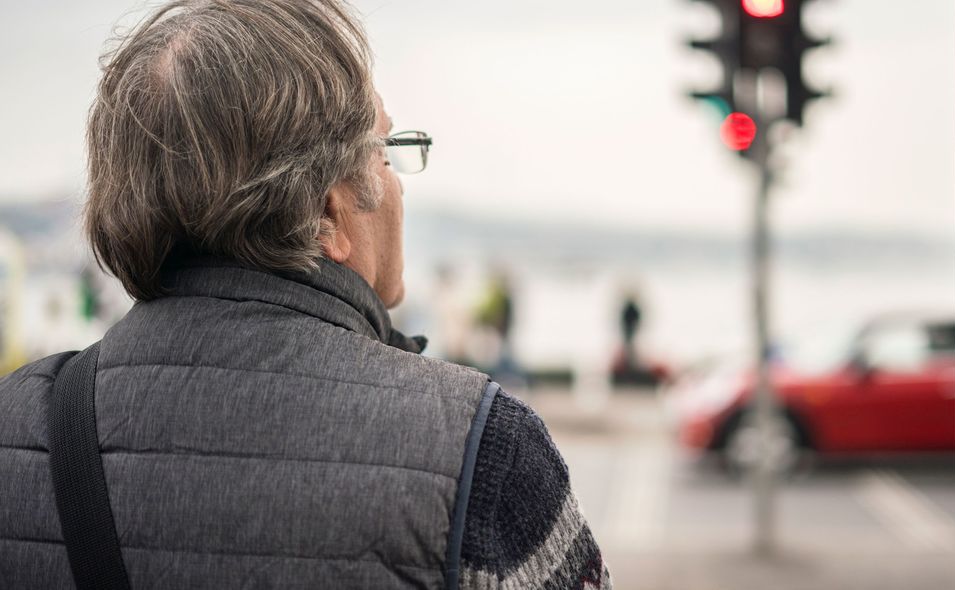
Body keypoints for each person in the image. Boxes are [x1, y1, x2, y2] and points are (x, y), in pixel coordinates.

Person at [0, 1, 610, 588]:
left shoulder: (18, 422)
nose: (400, 187)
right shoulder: (479, 445)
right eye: (386, 152)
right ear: (326, 212)